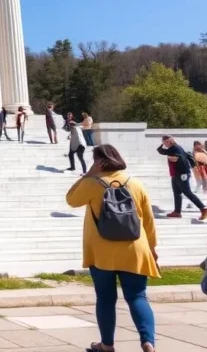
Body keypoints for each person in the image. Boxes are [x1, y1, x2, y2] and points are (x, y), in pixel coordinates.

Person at [66, 145, 159, 352]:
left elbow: (71, 200)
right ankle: (148, 342)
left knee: (106, 298)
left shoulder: (91, 184)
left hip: (102, 252)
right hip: (135, 248)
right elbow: (149, 220)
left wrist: (87, 175)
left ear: (98, 162)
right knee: (137, 296)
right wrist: (152, 247)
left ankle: (107, 345)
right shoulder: (135, 183)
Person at [157, 136, 207, 220]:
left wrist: (175, 158)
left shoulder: (176, 148)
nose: (165, 144)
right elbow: (161, 151)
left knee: (187, 192)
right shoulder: (172, 148)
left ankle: (203, 208)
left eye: (166, 142)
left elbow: (180, 158)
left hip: (181, 173)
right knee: (177, 193)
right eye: (164, 142)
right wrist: (163, 144)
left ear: (170, 141)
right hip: (176, 174)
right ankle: (177, 212)